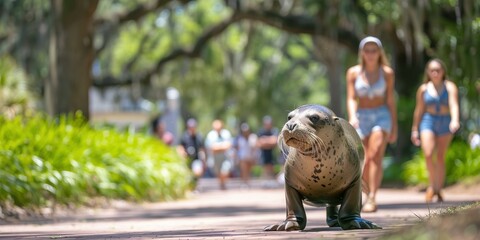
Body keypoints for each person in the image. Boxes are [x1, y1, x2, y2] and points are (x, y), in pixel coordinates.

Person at [346, 36, 397, 212]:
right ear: (362, 53)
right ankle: (365, 194)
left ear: (379, 52)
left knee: (376, 154)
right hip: (362, 117)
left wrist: (394, 126)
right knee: (364, 158)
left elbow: (390, 100)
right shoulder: (353, 73)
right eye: (367, 50)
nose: (370, 54)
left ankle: (373, 196)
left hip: (381, 115)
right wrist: (353, 116)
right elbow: (352, 98)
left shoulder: (387, 73)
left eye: (373, 50)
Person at [411, 58, 460, 203]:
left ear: (443, 71)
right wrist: (415, 129)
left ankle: (438, 189)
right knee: (427, 154)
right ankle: (432, 186)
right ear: (428, 72)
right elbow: (419, 111)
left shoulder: (450, 86)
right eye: (432, 70)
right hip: (428, 121)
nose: (435, 73)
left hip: (445, 121)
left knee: (440, 157)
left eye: (438, 70)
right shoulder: (423, 89)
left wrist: (455, 120)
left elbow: (454, 105)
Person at [177, 118, 206, 189]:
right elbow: (180, 147)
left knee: (197, 172)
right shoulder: (184, 137)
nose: (192, 128)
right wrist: (182, 154)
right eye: (190, 127)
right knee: (187, 175)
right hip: (187, 159)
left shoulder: (199, 137)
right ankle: (190, 187)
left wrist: (204, 160)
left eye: (193, 127)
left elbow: (202, 149)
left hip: (196, 158)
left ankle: (195, 186)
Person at [205, 119, 233, 190]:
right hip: (215, 158)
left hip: (225, 157)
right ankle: (221, 184)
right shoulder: (210, 135)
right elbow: (211, 147)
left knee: (225, 171)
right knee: (218, 172)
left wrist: (217, 147)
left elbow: (228, 145)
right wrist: (222, 147)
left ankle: (223, 183)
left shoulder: (226, 134)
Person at [256, 116, 279, 180]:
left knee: (272, 167)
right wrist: (269, 141)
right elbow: (258, 143)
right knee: (264, 168)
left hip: (273, 154)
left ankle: (272, 180)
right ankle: (266, 180)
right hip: (263, 154)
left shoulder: (274, 130)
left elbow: (275, 141)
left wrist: (264, 140)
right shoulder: (261, 131)